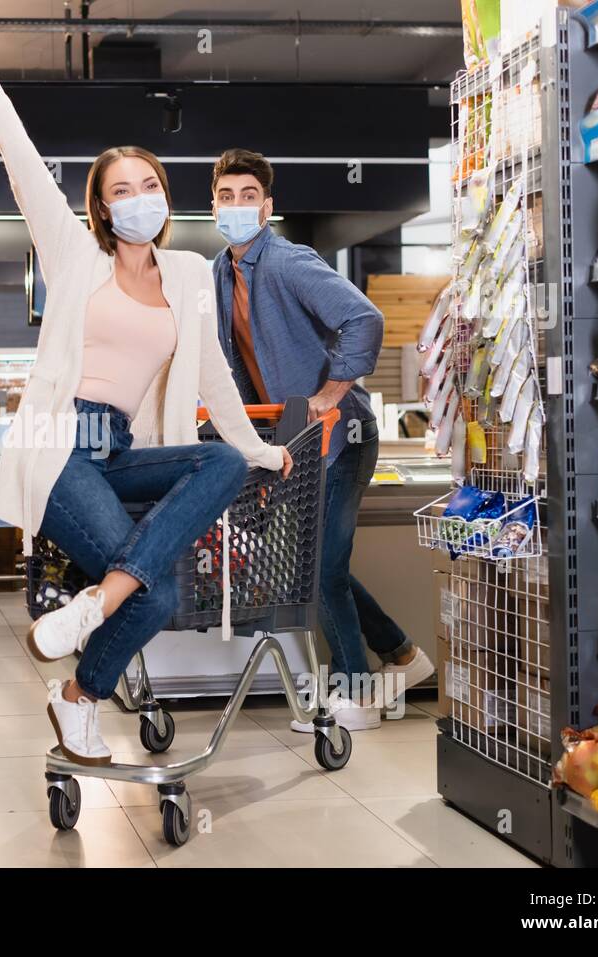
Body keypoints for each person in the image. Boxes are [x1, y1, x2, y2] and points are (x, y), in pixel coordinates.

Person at [0, 11, 293, 766]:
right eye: (121, 189)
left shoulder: (190, 273)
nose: (138, 196)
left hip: (123, 447)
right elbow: (24, 167)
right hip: (62, 440)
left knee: (221, 467)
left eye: (149, 184)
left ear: (164, 195)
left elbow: (211, 374)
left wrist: (257, 448)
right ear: (102, 206)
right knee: (158, 594)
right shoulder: (75, 254)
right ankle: (83, 695)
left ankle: (82, 653)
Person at [209, 148, 434, 732]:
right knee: (315, 565)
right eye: (227, 196)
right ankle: (404, 656)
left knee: (321, 567)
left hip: (341, 435)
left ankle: (357, 694)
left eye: (248, 196)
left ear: (267, 207)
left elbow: (365, 319)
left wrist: (330, 395)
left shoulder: (286, 261)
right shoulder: (217, 273)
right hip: (291, 444)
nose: (237, 206)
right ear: (214, 204)